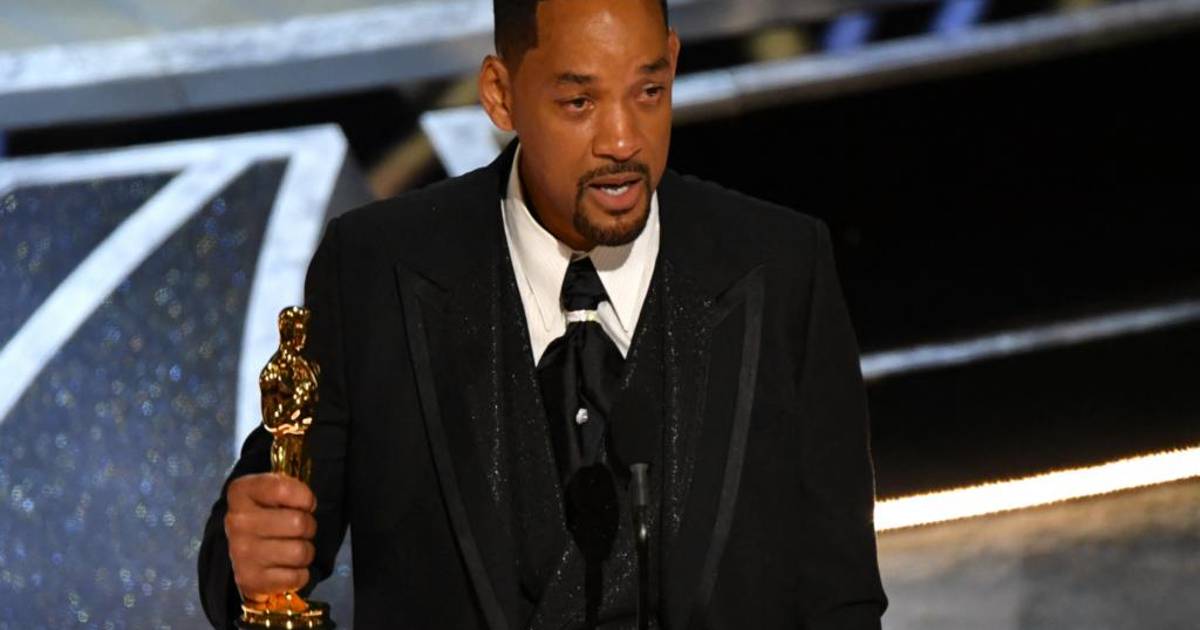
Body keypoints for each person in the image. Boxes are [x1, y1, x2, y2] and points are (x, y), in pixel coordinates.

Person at [198, 0, 888, 627]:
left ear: (674, 62)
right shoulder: (375, 271)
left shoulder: (780, 267)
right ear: (500, 94)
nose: (623, 139)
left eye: (648, 91)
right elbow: (261, 541)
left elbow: (841, 595)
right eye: (579, 102)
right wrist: (250, 564)